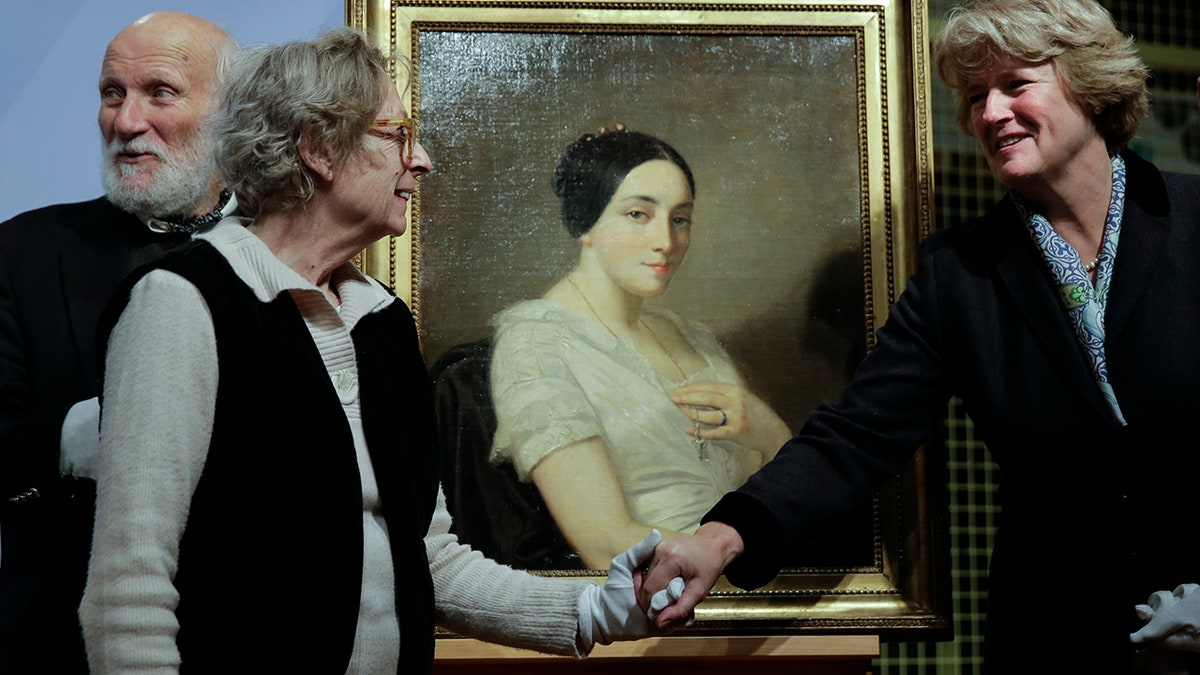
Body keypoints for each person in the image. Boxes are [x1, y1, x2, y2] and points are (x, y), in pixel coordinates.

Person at [78, 27, 682, 673]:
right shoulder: (181, 303)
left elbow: (427, 559)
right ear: (319, 149)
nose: (419, 159)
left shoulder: (383, 321)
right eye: (398, 135)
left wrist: (598, 610)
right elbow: (129, 588)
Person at [637, 0, 1200, 672]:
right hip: (1056, 644)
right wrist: (722, 537)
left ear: (1092, 86)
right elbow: (856, 435)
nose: (989, 114)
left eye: (1016, 85)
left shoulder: (1194, 222)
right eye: (974, 96)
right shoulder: (960, 274)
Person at [0, 12, 237, 673]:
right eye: (112, 94)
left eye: (160, 92)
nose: (126, 122)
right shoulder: (23, 253)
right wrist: (78, 435)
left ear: (232, 112)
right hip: (62, 643)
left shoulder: (284, 255)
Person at [488, 128, 793, 569]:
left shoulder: (692, 339)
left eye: (680, 219)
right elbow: (603, 541)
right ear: (585, 223)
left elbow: (768, 492)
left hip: (747, 580)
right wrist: (734, 555)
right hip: (655, 602)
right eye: (638, 214)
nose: (666, 243)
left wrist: (767, 430)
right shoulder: (537, 343)